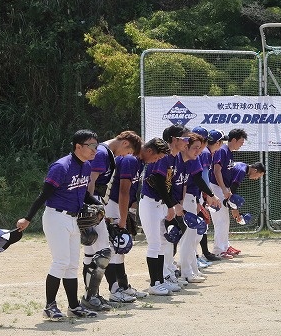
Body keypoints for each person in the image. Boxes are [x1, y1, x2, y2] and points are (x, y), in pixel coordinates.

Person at [15, 130, 104, 320]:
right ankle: (50, 306)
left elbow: (83, 194)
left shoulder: (86, 166)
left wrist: (99, 205)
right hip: (56, 217)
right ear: (78, 146)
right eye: (91, 146)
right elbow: (44, 194)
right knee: (61, 262)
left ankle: (74, 307)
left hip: (73, 219)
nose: (95, 150)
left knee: (71, 265)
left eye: (96, 146)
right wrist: (27, 218)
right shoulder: (61, 167)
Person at [80, 130, 143, 311]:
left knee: (91, 252)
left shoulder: (106, 152)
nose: (126, 155)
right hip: (93, 202)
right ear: (125, 143)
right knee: (103, 250)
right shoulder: (102, 152)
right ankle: (91, 296)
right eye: (128, 151)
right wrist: (90, 208)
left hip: (96, 202)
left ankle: (92, 296)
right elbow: (90, 181)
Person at [104, 137, 169, 302]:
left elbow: (131, 191)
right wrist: (123, 219)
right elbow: (123, 191)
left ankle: (123, 287)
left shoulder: (140, 162)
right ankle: (114, 290)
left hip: (119, 206)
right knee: (114, 248)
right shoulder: (130, 160)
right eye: (157, 157)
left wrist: (130, 210)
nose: (156, 161)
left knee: (120, 250)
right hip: (112, 205)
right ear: (149, 151)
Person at [139, 124, 189, 296]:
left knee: (162, 243)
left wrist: (171, 204)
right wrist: (170, 205)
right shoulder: (164, 156)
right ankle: (154, 284)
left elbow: (168, 185)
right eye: (185, 138)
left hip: (159, 203)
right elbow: (158, 181)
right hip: (150, 202)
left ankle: (161, 280)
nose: (187, 142)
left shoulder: (174, 157)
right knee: (155, 244)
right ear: (174, 139)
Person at [173, 132, 221, 284]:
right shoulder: (182, 158)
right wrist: (211, 195)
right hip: (185, 199)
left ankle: (192, 269)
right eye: (196, 147)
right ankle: (186, 272)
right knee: (188, 237)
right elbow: (198, 179)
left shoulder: (192, 157)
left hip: (191, 198)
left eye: (200, 147)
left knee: (192, 237)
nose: (199, 151)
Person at [209, 128, 248, 258]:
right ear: (234, 140)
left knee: (224, 220)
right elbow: (216, 171)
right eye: (241, 141)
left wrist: (227, 189)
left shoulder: (229, 152)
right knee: (220, 220)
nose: (242, 144)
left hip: (221, 188)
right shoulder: (222, 150)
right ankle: (218, 250)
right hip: (216, 187)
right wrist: (224, 189)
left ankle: (225, 246)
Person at [225, 161, 267, 228]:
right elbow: (232, 190)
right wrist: (234, 209)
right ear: (255, 170)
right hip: (216, 185)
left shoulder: (242, 165)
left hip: (216, 184)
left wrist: (235, 210)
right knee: (223, 222)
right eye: (258, 176)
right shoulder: (242, 171)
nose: (256, 179)